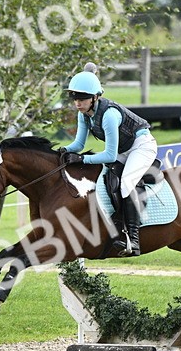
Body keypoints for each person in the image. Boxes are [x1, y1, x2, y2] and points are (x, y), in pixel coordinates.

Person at [61, 63, 157, 257]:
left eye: (83, 99)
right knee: (105, 180)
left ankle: (135, 240)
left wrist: (82, 159)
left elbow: (109, 155)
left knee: (126, 183)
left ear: (95, 97)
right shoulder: (85, 114)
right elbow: (78, 144)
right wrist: (62, 152)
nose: (78, 103)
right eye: (75, 99)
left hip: (141, 146)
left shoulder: (109, 115)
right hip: (124, 148)